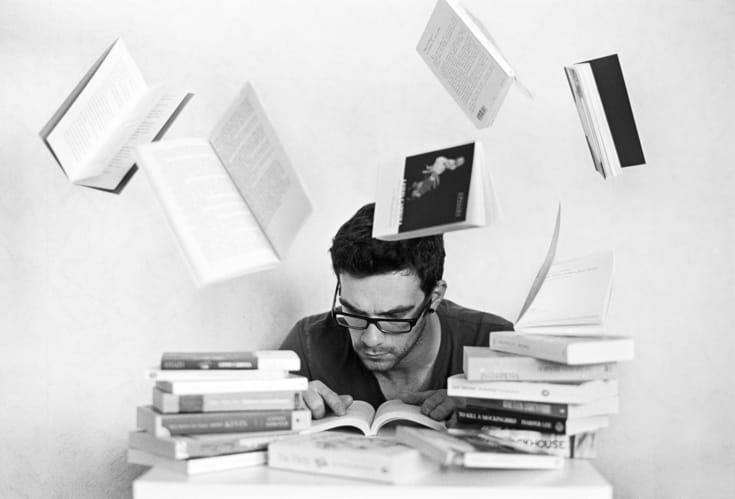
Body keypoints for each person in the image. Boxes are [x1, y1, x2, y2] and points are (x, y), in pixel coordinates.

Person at [280, 203, 512, 421]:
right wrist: (277, 404)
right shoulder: (307, 345)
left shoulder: (495, 343)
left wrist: (491, 411)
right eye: (353, 312)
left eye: (394, 317)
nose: (371, 339)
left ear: (435, 297)